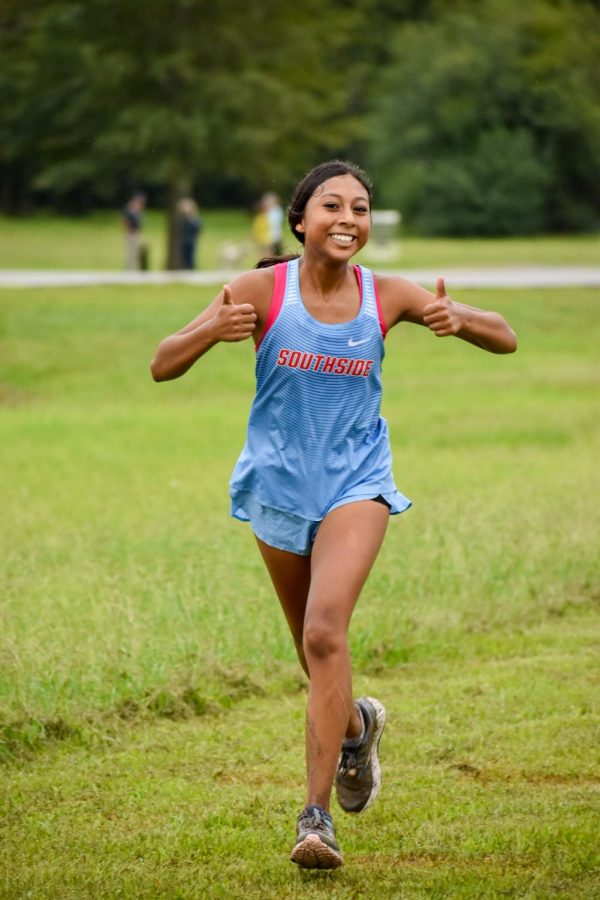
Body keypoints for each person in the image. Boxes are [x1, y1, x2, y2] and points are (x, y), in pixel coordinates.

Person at [150, 160, 517, 870]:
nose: (348, 218)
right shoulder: (262, 289)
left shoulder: (387, 295)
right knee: (316, 657)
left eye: (361, 207)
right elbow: (163, 363)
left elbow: (504, 335)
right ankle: (357, 728)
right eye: (332, 205)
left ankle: (315, 820)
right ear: (300, 221)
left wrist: (458, 317)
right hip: (279, 491)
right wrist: (213, 329)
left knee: (326, 632)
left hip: (358, 484)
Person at [122, 192, 146, 270]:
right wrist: (130, 231)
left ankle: (135, 268)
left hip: (136, 233)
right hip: (131, 233)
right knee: (130, 252)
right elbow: (125, 221)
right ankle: (129, 268)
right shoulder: (129, 208)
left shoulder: (138, 209)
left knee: (136, 252)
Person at [176, 197, 203, 270]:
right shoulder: (183, 218)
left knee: (190, 257)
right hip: (184, 239)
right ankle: (186, 270)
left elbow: (198, 228)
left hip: (191, 240)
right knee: (184, 257)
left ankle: (190, 270)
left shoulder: (194, 218)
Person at [263, 191, 284, 256]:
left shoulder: (276, 210)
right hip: (267, 235)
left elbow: (274, 223)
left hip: (274, 235)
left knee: (276, 252)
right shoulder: (268, 211)